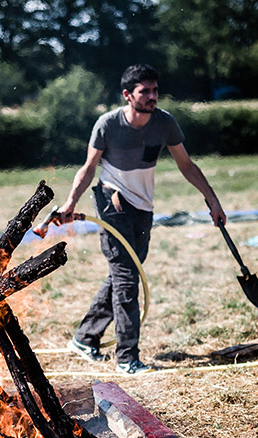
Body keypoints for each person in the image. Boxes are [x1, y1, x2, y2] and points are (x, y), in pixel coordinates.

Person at [57, 63, 227, 374]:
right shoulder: (107, 125)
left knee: (125, 273)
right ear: (127, 95)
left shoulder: (165, 124)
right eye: (144, 91)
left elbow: (186, 165)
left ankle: (85, 337)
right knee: (126, 279)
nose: (152, 96)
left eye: (154, 90)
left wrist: (212, 200)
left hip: (142, 208)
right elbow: (89, 168)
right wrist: (70, 202)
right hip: (112, 202)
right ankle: (127, 358)